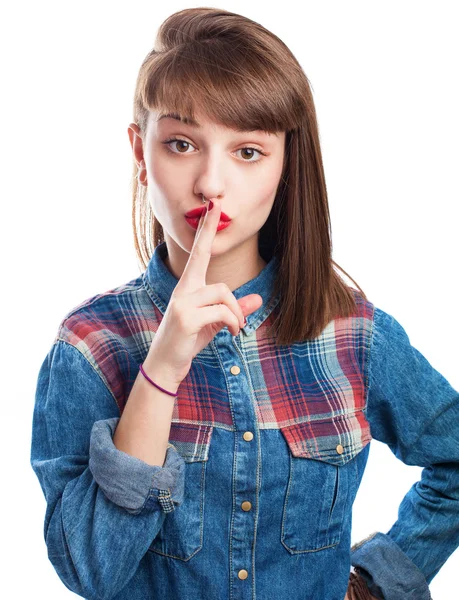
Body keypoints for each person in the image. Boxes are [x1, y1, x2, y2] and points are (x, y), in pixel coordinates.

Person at [30, 7, 458, 600]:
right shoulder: (90, 346)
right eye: (181, 144)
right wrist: (162, 369)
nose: (210, 182)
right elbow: (89, 571)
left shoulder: (354, 334)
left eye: (248, 151)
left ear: (286, 163)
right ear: (139, 148)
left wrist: (378, 580)